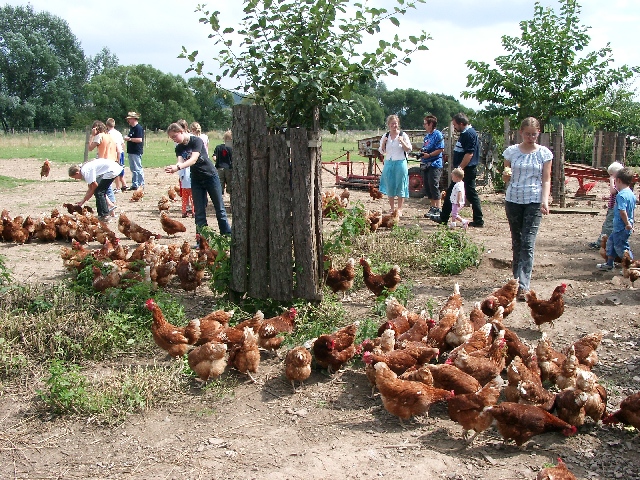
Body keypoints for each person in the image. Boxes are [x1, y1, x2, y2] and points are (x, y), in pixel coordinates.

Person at [502, 117, 553, 300]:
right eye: (527, 133)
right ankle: (515, 281)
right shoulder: (511, 152)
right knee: (517, 241)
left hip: (534, 200)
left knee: (528, 243)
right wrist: (505, 175)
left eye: (534, 133)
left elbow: (546, 179)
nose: (531, 137)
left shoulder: (544, 154)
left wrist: (544, 201)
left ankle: (523, 285)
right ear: (521, 133)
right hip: (513, 199)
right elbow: (506, 176)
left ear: (538, 133)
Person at [164, 123, 231, 235]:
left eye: (175, 136)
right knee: (199, 211)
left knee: (220, 209)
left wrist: (178, 167)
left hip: (210, 176)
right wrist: (175, 167)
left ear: (181, 131)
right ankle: (202, 240)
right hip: (196, 179)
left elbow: (193, 159)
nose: (174, 140)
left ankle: (226, 236)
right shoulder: (179, 148)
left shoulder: (196, 141)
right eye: (171, 138)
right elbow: (180, 161)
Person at [431, 112, 483, 227]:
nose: (454, 127)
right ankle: (444, 217)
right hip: (464, 169)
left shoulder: (469, 134)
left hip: (466, 170)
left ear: (461, 123)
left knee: (468, 193)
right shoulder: (465, 133)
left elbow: (469, 153)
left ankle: (478, 220)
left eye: (455, 125)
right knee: (457, 192)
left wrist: (460, 168)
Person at [596, 167, 635, 271]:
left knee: (622, 247)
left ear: (618, 180)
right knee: (611, 243)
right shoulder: (631, 194)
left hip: (622, 227)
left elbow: (622, 211)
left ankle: (630, 265)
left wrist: (627, 224)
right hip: (621, 226)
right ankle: (609, 263)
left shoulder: (621, 195)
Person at [378, 114, 411, 216]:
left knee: (401, 184)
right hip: (389, 162)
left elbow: (409, 149)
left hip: (400, 162)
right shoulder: (385, 136)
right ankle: (392, 208)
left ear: (398, 124)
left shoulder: (403, 135)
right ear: (388, 125)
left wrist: (402, 142)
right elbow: (381, 151)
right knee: (390, 185)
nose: (394, 125)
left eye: (395, 123)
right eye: (392, 124)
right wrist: (383, 143)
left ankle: (399, 208)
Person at [589, 161, 624, 249]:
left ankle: (601, 243)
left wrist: (612, 180)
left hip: (614, 209)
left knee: (608, 226)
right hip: (612, 208)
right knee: (609, 225)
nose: (610, 176)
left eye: (612, 174)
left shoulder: (619, 183)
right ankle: (607, 242)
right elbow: (614, 194)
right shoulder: (620, 183)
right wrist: (608, 198)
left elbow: (613, 191)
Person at [88, 120, 117, 213]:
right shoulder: (109, 136)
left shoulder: (99, 136)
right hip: (112, 161)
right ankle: (111, 206)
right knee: (108, 187)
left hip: (103, 164)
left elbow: (90, 148)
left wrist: (92, 135)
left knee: (102, 187)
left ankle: (111, 206)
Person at [419, 115, 445, 218]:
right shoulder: (427, 137)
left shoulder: (438, 135)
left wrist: (429, 155)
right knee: (427, 186)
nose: (424, 125)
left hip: (435, 164)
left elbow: (441, 149)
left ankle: (438, 208)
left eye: (425, 123)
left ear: (431, 124)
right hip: (426, 164)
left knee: (434, 185)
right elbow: (425, 148)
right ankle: (432, 207)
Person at [124, 111, 144, 190]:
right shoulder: (132, 128)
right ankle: (135, 184)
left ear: (133, 119)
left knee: (138, 168)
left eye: (129, 119)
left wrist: (129, 139)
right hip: (131, 151)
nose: (128, 120)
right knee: (133, 169)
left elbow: (139, 139)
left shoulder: (138, 128)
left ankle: (141, 184)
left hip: (136, 151)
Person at [106, 117, 127, 192]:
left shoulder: (108, 134)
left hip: (114, 153)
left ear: (107, 125)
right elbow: (123, 144)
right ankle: (124, 184)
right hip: (121, 152)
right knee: (120, 169)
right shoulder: (118, 133)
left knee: (115, 170)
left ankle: (118, 187)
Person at [213, 130, 233, 196]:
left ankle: (220, 198)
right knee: (230, 183)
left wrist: (218, 160)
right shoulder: (231, 148)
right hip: (229, 168)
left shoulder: (218, 147)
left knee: (220, 183)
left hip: (220, 168)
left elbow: (214, 158)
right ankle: (230, 196)